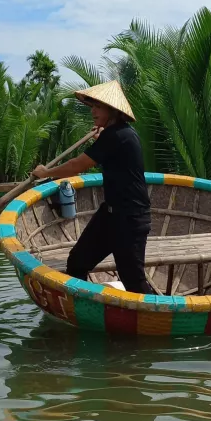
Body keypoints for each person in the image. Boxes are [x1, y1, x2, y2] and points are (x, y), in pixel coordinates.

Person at [32, 81, 155, 295]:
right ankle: (84, 309)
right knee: (78, 261)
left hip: (130, 219)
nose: (93, 111)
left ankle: (158, 321)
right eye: (92, 106)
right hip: (110, 215)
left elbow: (77, 165)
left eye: (98, 107)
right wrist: (102, 137)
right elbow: (109, 152)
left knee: (133, 281)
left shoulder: (117, 135)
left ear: (112, 110)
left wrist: (46, 172)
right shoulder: (115, 134)